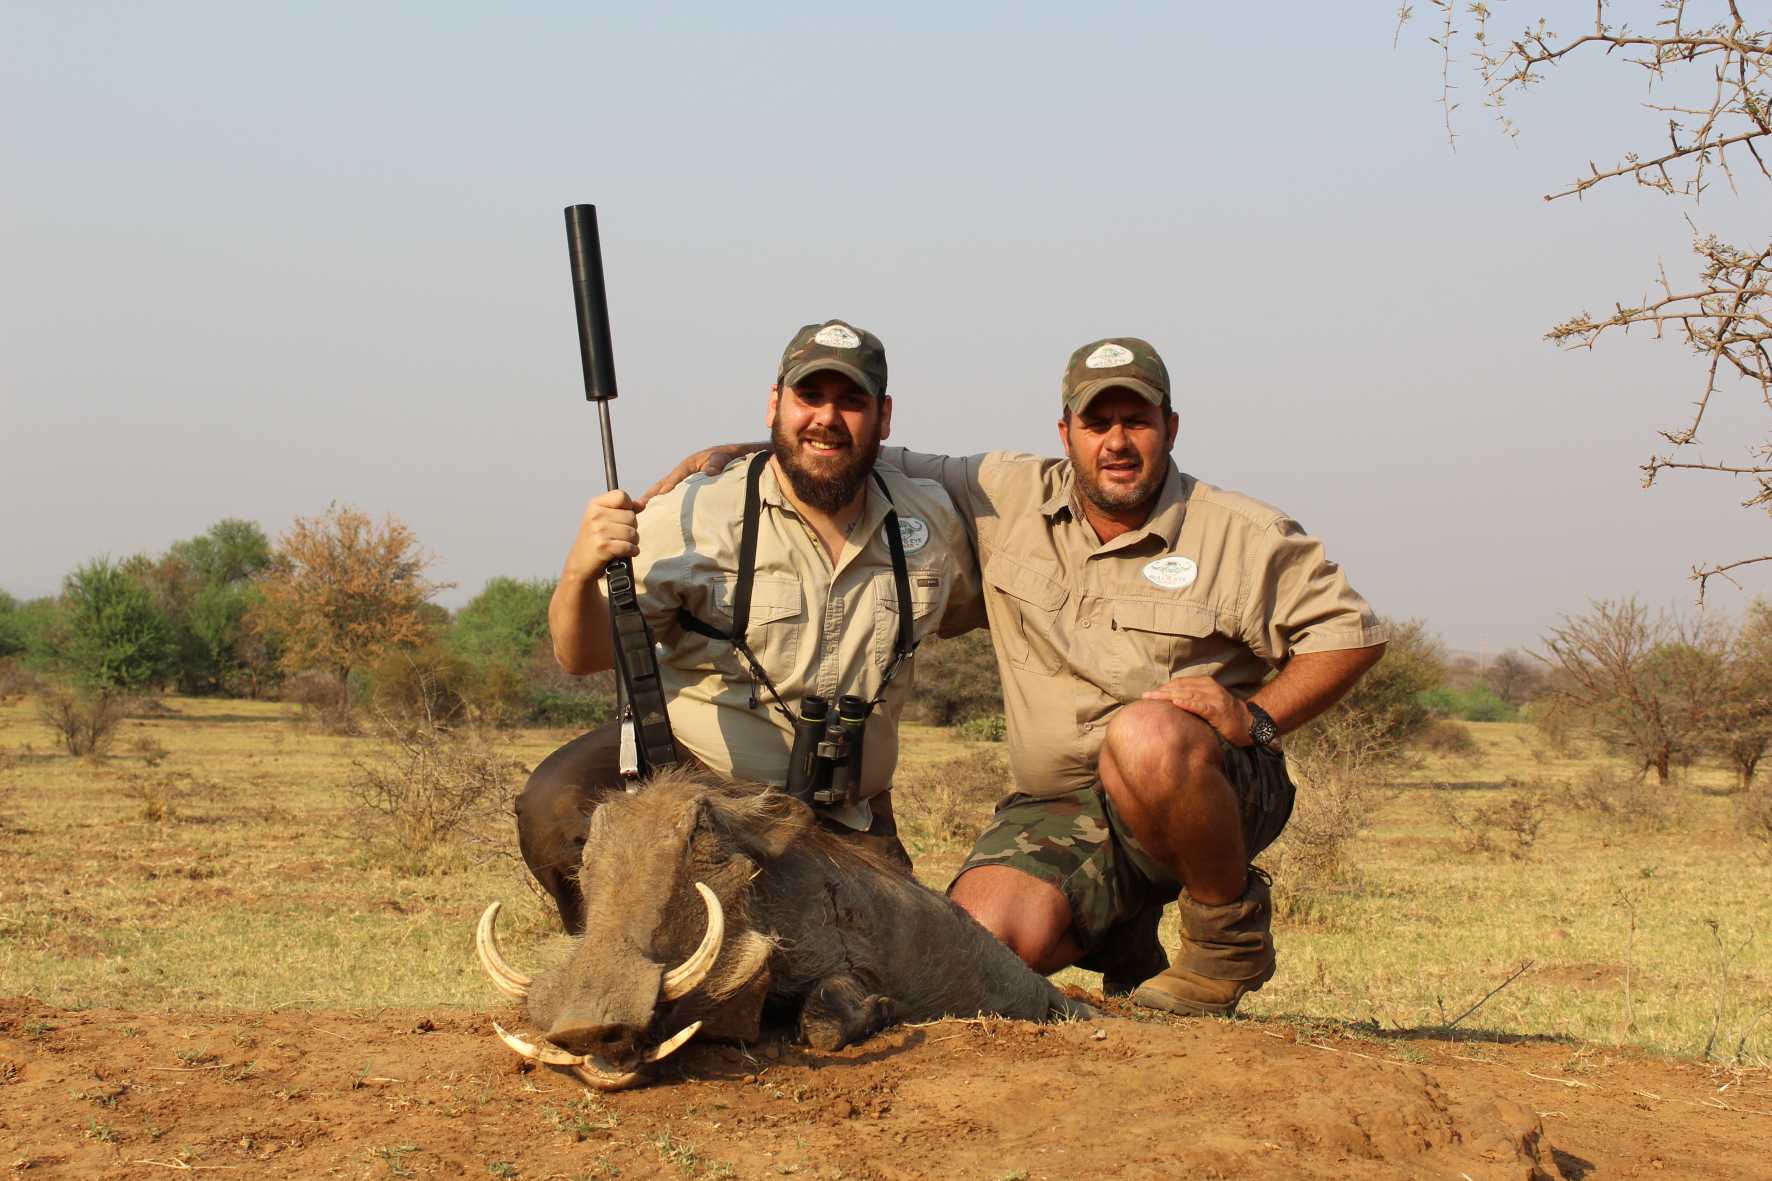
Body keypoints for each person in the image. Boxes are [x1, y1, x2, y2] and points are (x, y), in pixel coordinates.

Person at [661, 336, 1387, 1016]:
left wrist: (1254, 717)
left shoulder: (1239, 531)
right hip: (1061, 803)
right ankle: (1117, 924)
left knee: (1147, 736)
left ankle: (1227, 939)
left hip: (1208, 786)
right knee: (971, 954)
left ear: (1170, 426)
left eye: (1136, 420)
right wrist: (742, 454)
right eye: (1096, 420)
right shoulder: (999, 491)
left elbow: (1349, 634)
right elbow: (855, 451)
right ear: (1065, 430)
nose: (1117, 441)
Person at [516, 319, 980, 933]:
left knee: (894, 969)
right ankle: (613, 955)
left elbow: (999, 611)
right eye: (809, 397)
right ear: (775, 403)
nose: (826, 418)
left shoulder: (933, 519)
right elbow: (582, 654)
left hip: (846, 816)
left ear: (884, 416)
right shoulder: (691, 510)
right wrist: (579, 571)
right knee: (555, 802)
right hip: (699, 787)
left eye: (851, 402)